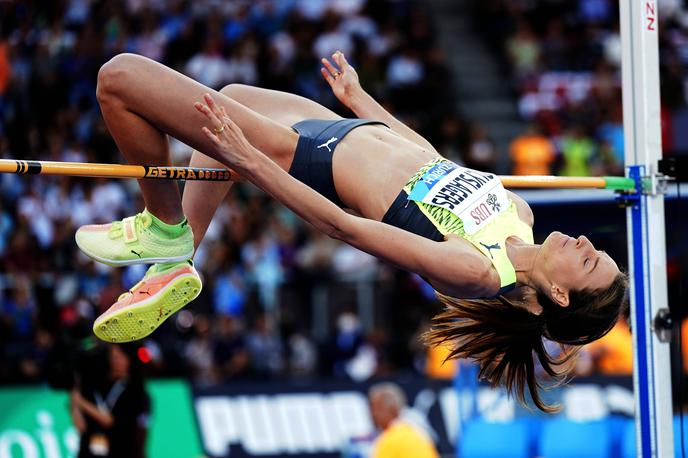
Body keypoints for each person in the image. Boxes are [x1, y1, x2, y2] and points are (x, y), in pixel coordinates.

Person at [74, 51, 627, 411]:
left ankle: (165, 227)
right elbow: (429, 159)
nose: (584, 243)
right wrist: (362, 100)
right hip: (342, 126)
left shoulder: (477, 270)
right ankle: (175, 259)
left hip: (307, 157)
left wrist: (251, 161)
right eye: (594, 249)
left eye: (587, 262)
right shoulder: (521, 212)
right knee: (237, 94)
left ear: (557, 295)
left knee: (119, 79)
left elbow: (346, 228)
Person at [70, 344, 150, 458]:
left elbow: (110, 420)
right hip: (90, 451)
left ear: (129, 359)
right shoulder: (96, 385)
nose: (115, 361)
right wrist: (75, 400)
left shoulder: (135, 390)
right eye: (113, 357)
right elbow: (81, 427)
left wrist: (81, 402)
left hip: (120, 451)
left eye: (119, 357)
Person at [368, 382, 439, 458]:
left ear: (393, 410)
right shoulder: (419, 433)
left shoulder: (390, 439)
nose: (373, 414)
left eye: (378, 408)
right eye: (372, 409)